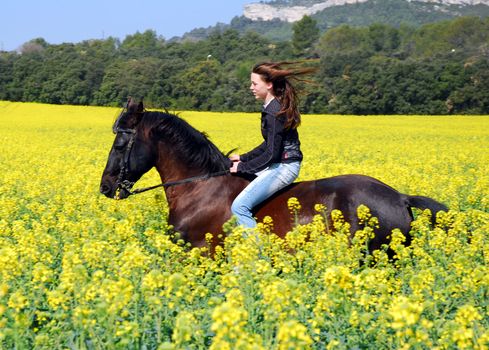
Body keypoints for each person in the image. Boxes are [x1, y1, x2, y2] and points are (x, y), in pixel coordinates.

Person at [229, 61, 314, 229]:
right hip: (280, 163)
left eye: (254, 83)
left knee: (239, 208)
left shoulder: (273, 112)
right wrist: (243, 157)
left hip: (284, 166)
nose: (251, 87)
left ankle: (258, 253)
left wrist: (242, 167)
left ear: (269, 85)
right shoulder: (273, 107)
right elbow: (268, 144)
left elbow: (271, 155)